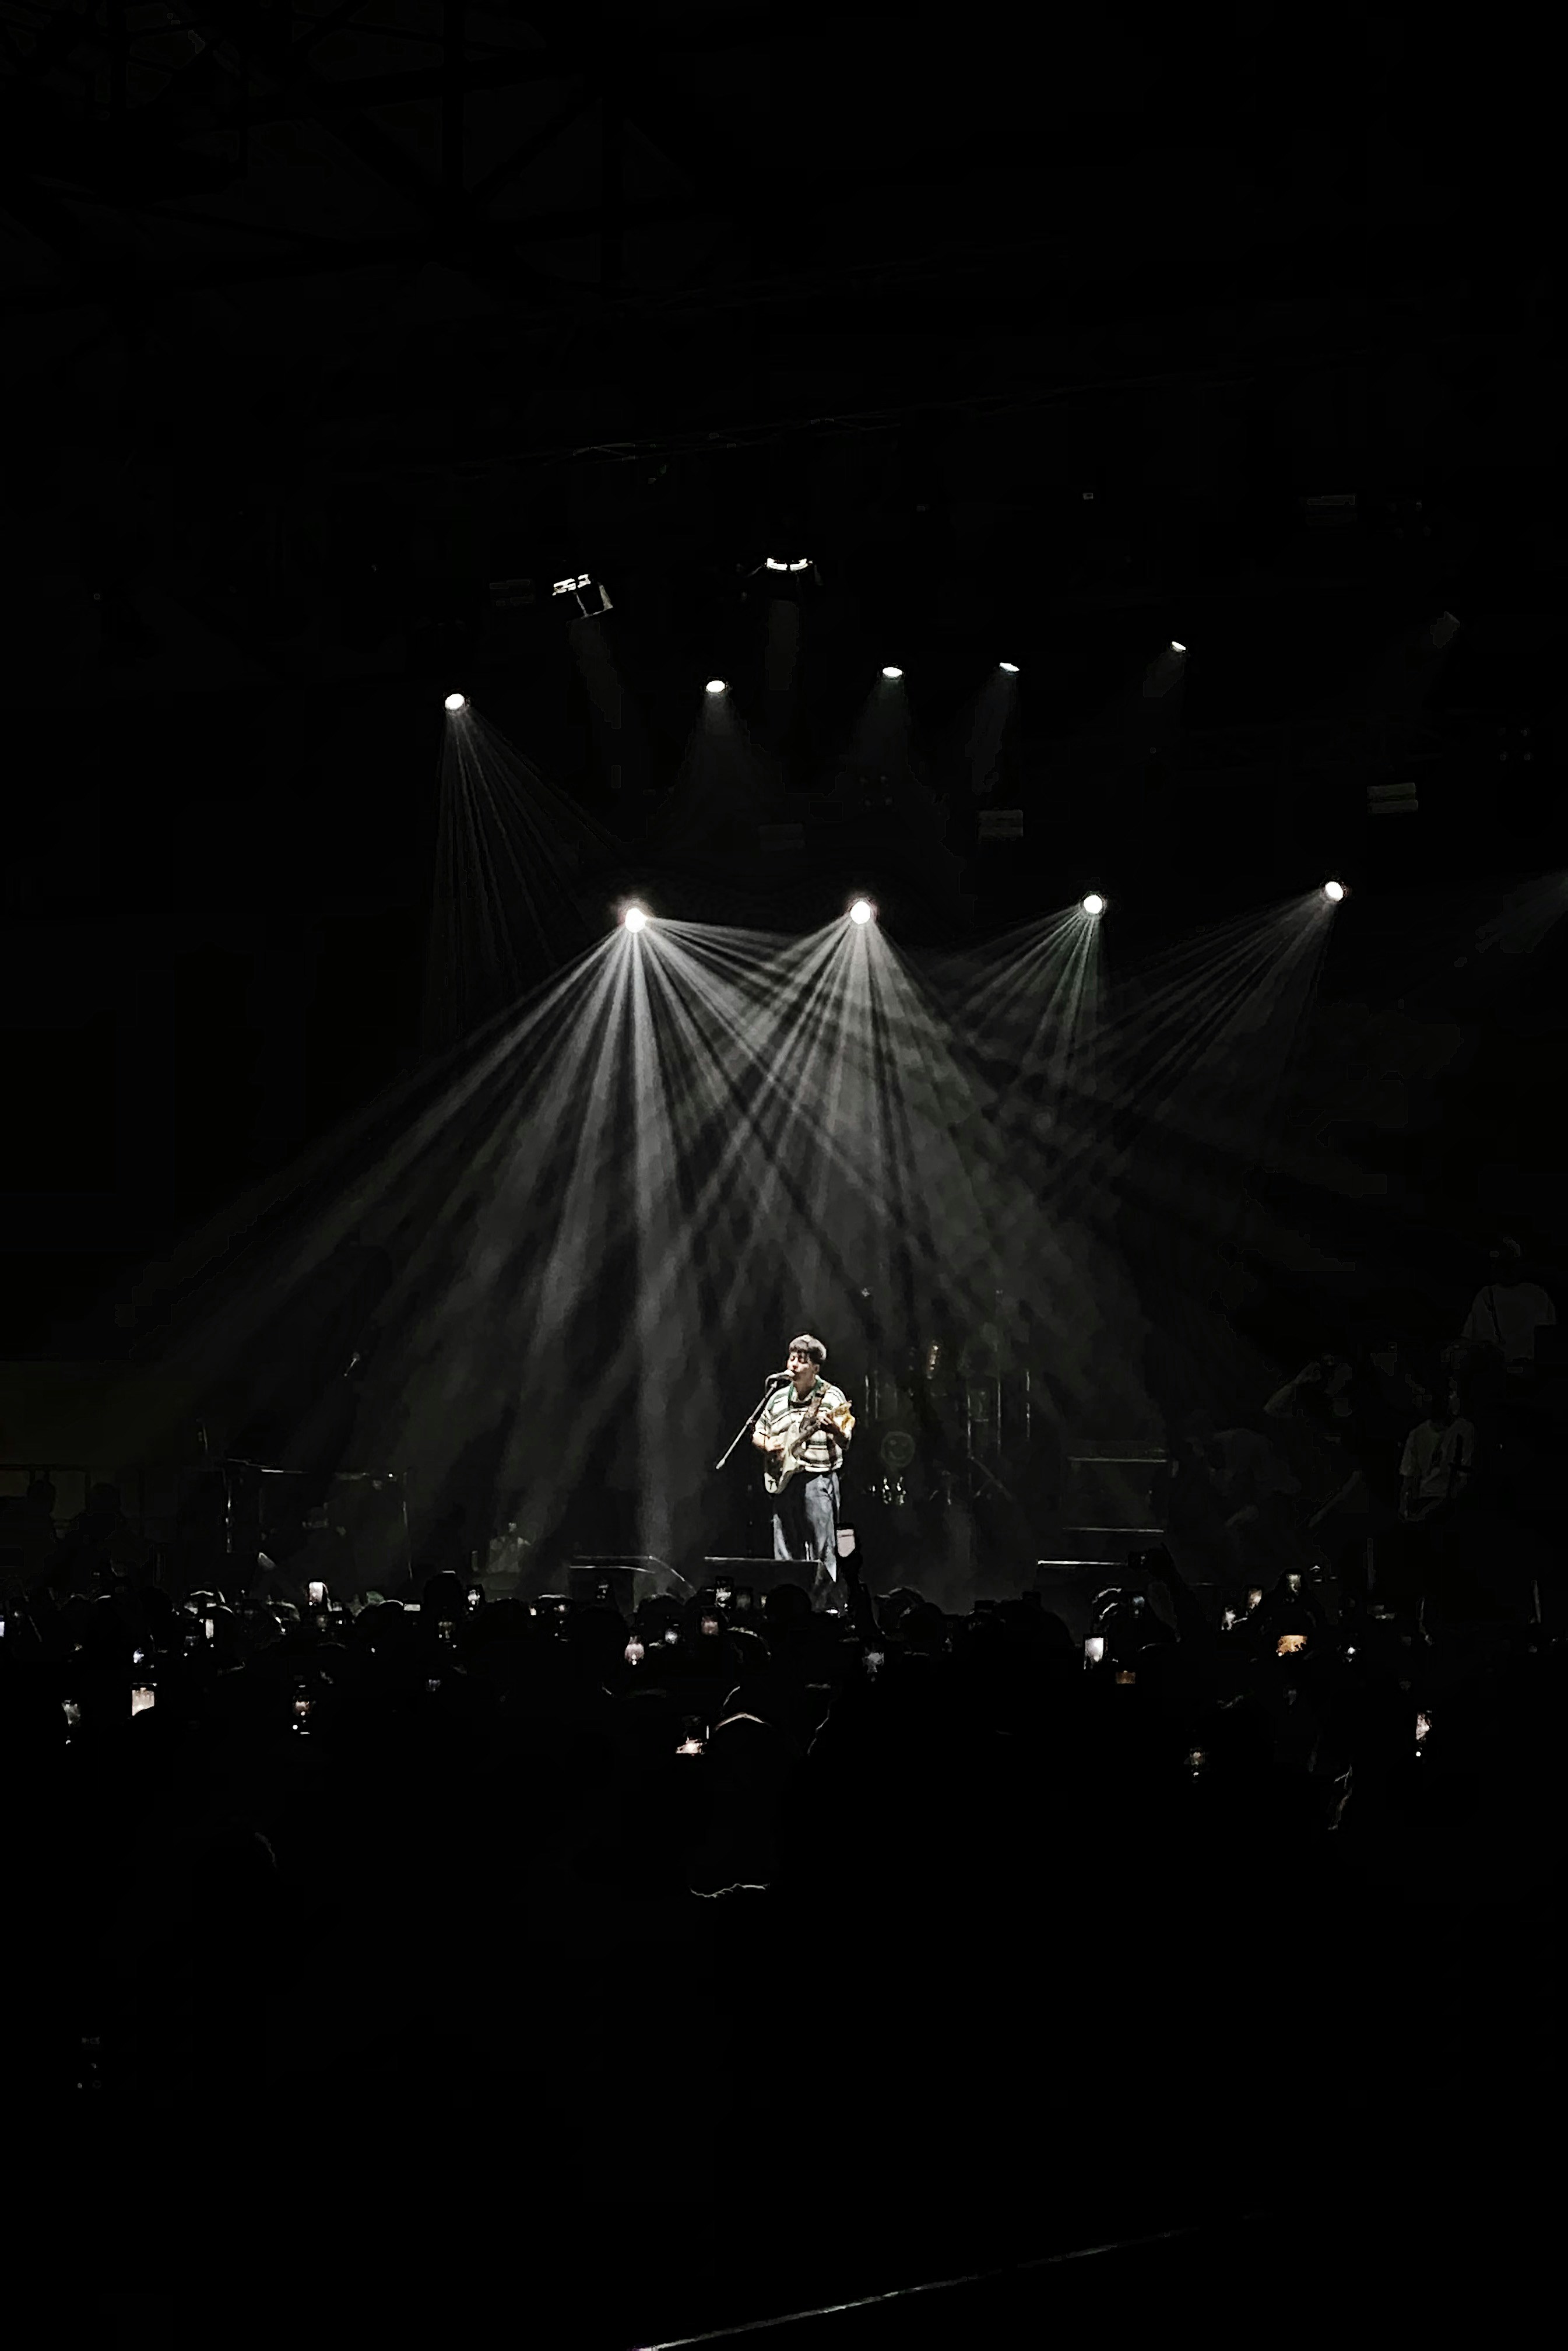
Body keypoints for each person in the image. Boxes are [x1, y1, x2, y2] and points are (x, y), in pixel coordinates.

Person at [752, 1335, 855, 1612]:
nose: (794, 1365)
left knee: (823, 1546)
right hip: (784, 1480)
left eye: (802, 1360)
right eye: (792, 1358)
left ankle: (824, 1607)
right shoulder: (776, 1399)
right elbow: (758, 1433)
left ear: (816, 1368)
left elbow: (846, 1439)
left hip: (818, 1478)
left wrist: (832, 1428)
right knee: (785, 1544)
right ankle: (786, 1604)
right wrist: (768, 1444)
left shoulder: (832, 1397)